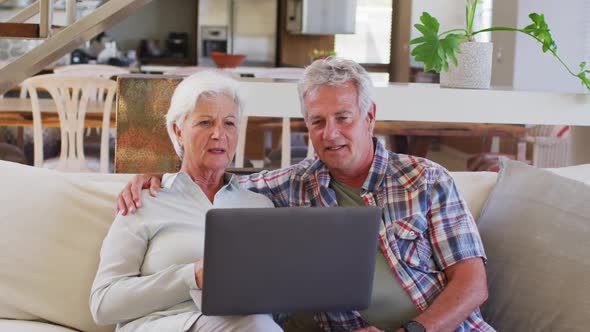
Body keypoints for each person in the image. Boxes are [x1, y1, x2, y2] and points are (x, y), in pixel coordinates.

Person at [116, 57, 494, 332]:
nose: (330, 133)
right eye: (317, 122)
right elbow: (211, 182)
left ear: (370, 117)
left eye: (343, 118)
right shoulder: (292, 186)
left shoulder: (426, 180)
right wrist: (156, 171)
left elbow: (472, 284)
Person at [90, 71, 282, 332]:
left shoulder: (259, 206)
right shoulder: (143, 200)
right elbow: (103, 305)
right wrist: (191, 276)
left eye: (229, 123)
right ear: (178, 131)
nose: (218, 134)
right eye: (205, 122)